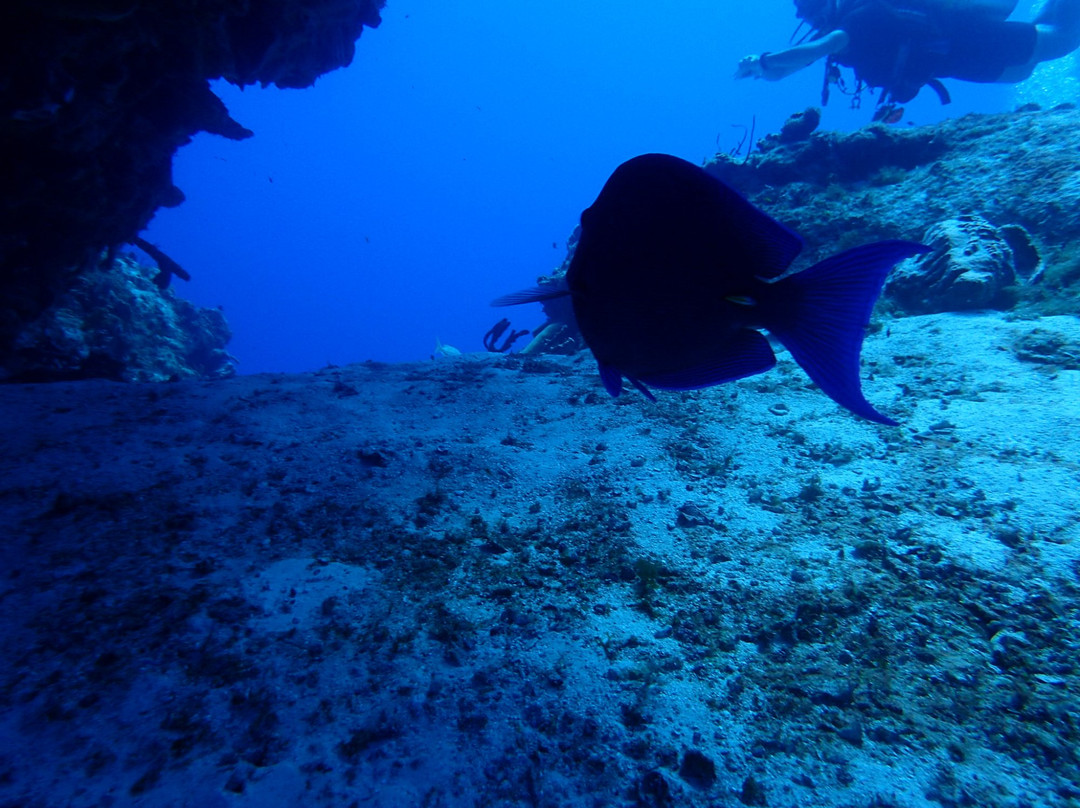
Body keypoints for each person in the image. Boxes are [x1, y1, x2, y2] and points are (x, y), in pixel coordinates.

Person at [736, 0, 1080, 119]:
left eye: (810, 12)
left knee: (1063, 39)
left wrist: (762, 60)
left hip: (975, 42)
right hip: (965, 63)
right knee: (1032, 62)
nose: (810, 21)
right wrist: (766, 71)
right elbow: (790, 68)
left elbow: (812, 51)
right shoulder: (842, 38)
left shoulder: (858, 21)